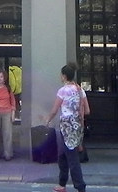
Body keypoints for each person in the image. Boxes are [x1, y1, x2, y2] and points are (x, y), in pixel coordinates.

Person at [45, 62, 89, 192]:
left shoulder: (63, 91)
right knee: (63, 155)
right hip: (76, 126)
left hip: (66, 126)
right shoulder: (80, 90)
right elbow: (87, 110)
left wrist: (47, 119)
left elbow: (55, 109)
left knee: (72, 158)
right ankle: (62, 183)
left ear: (64, 76)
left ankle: (80, 186)